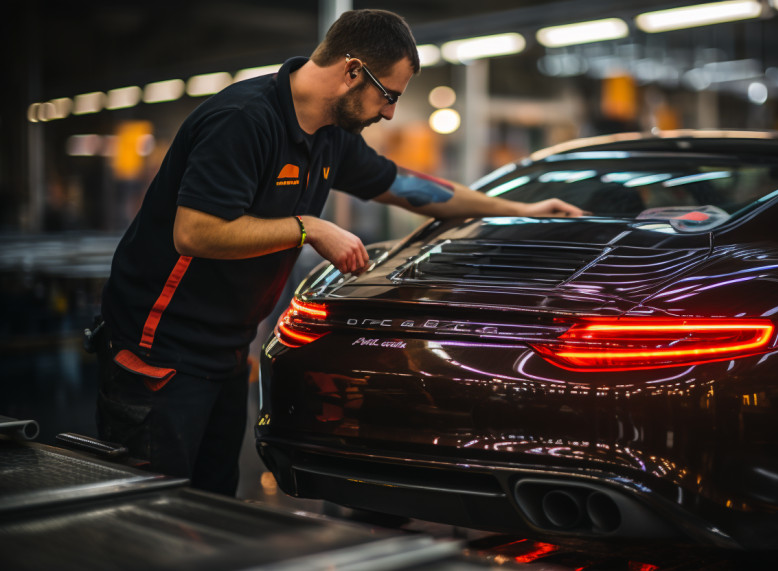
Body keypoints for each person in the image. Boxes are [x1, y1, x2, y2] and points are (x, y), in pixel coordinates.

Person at [94, 9, 584, 496]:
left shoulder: (330, 136)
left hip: (224, 348)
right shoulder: (244, 120)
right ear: (352, 71)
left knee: (211, 502)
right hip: (158, 351)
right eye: (388, 95)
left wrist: (521, 207)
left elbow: (410, 187)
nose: (390, 112)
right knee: (152, 510)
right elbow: (195, 233)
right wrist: (307, 228)